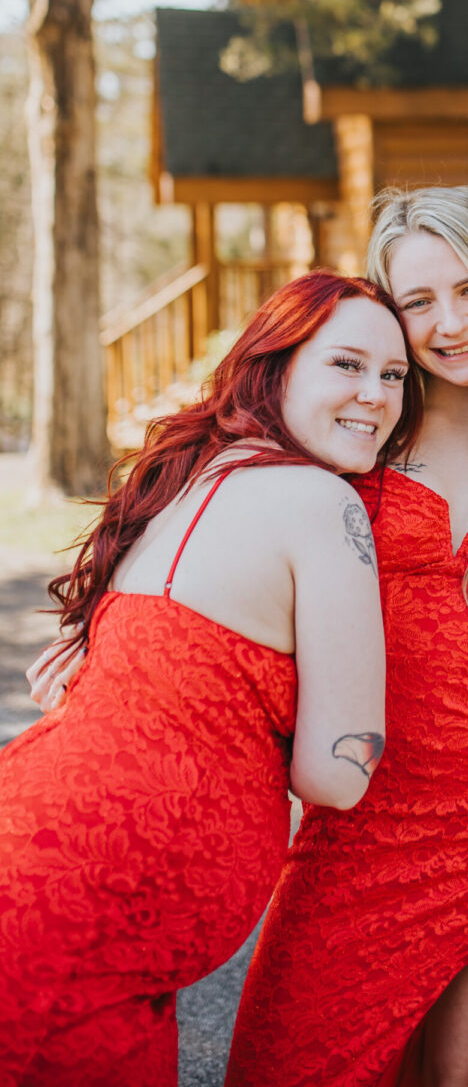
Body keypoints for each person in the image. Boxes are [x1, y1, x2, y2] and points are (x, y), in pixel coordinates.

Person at [0, 272, 419, 1087]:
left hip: (49, 869)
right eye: (347, 365)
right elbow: (334, 775)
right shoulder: (318, 501)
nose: (376, 395)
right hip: (75, 911)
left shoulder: (187, 480)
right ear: (274, 368)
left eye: (395, 375)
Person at [225, 186, 468, 1087]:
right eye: (418, 302)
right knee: (287, 1058)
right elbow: (216, 515)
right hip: (360, 814)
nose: (448, 324)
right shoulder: (355, 424)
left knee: (465, 1075)